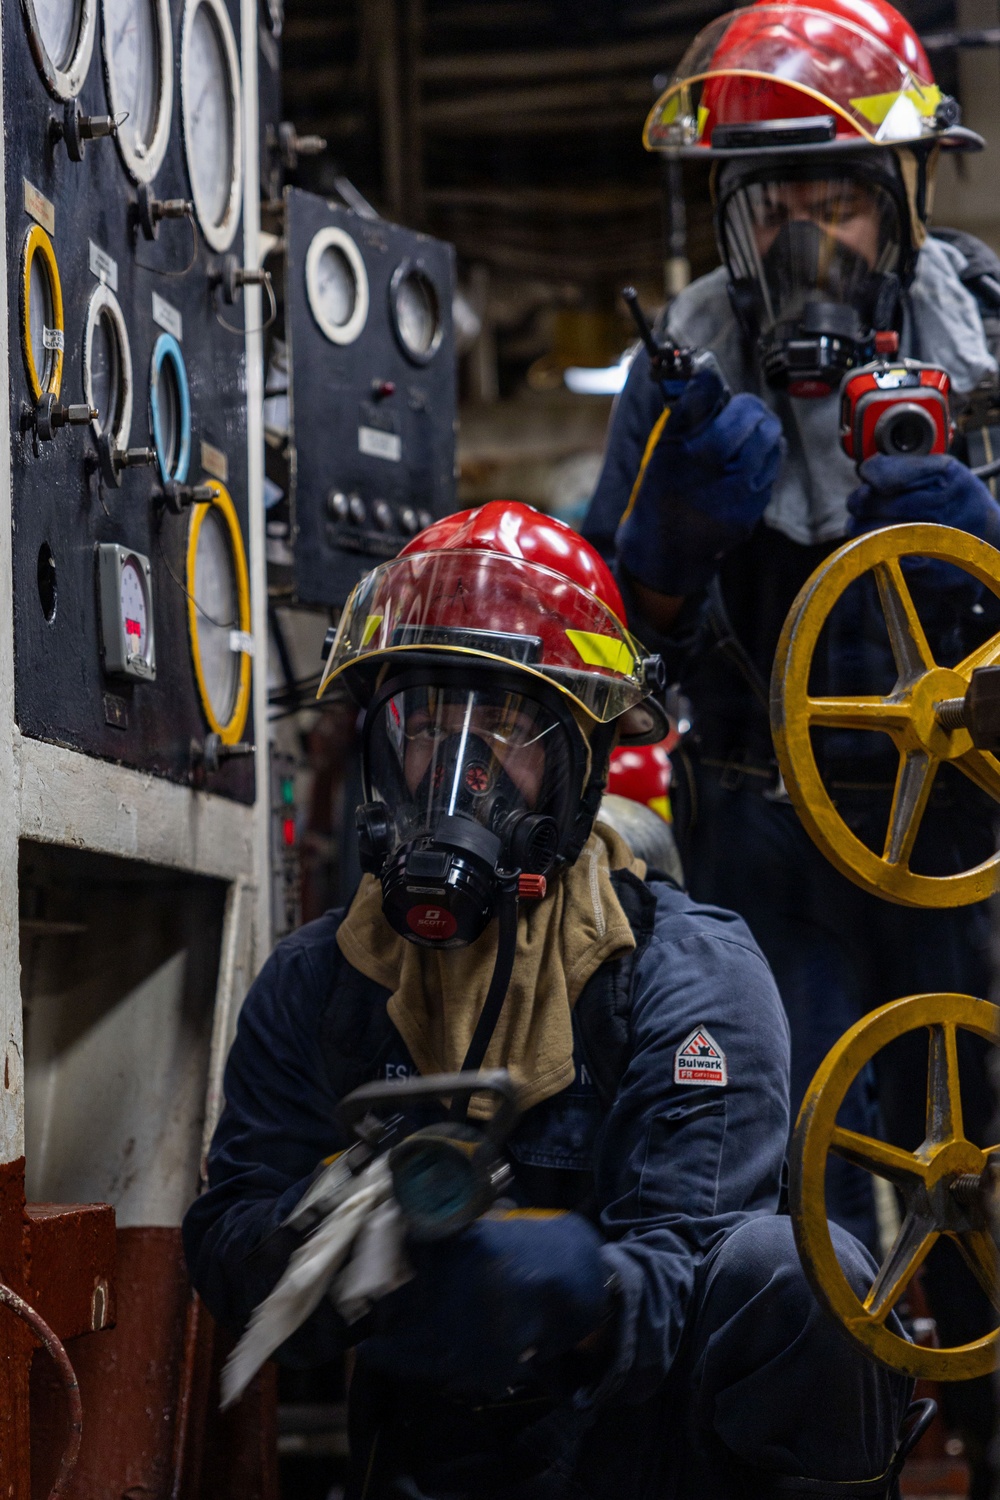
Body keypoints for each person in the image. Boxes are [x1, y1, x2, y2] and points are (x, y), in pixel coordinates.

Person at [184, 502, 916, 1500]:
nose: (457, 774)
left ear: (579, 763)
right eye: (428, 724)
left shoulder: (685, 971)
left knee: (801, 1268)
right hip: (436, 1445)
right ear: (380, 740)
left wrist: (578, 1292)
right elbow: (227, 1231)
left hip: (647, 1446)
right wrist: (317, 1249)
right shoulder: (319, 980)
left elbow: (694, 1265)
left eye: (507, 730)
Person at [582, 0, 1000, 1482]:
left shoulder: (990, 335)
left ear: (905, 204)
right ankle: (831, 1461)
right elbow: (596, 656)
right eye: (777, 202)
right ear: (730, 214)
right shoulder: (681, 373)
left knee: (988, 1166)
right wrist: (660, 561)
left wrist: (986, 537)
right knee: (784, 1176)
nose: (811, 233)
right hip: (765, 839)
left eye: (841, 196)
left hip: (973, 840)